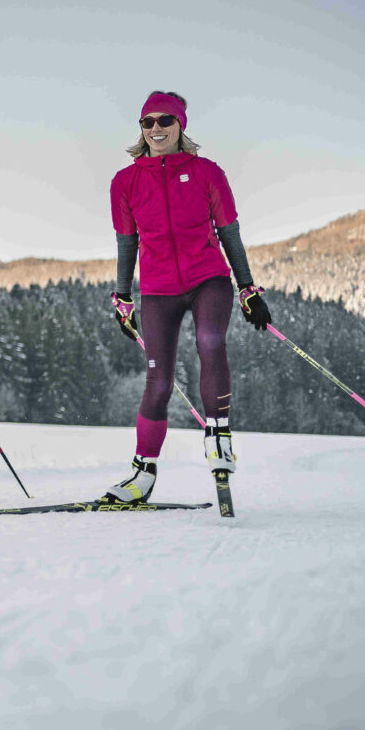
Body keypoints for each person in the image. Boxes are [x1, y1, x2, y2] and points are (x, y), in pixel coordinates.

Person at [104, 91, 272, 503]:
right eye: (148, 123)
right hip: (158, 290)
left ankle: (218, 436)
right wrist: (123, 297)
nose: (157, 129)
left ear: (181, 126)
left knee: (210, 342)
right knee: (158, 380)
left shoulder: (207, 172)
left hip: (208, 279)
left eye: (165, 121)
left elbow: (229, 231)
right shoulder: (124, 182)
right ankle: (142, 475)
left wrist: (247, 287)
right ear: (141, 130)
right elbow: (127, 243)